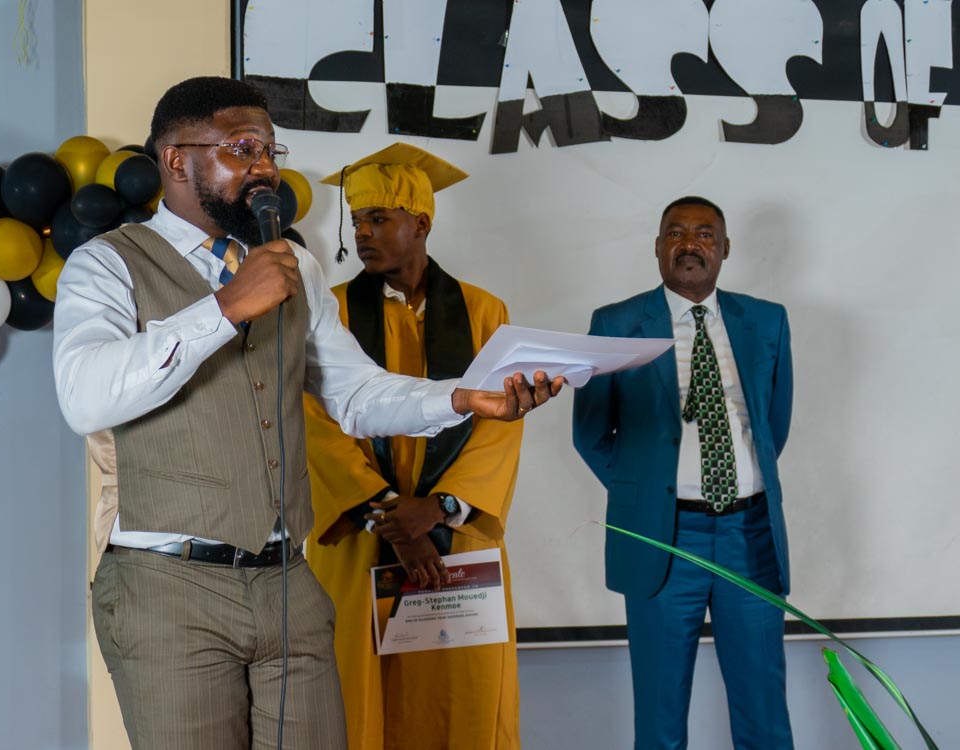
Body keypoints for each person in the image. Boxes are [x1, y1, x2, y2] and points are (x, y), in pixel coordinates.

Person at [52, 76, 562, 750]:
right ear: (176, 159)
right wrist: (226, 307)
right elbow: (84, 396)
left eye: (270, 150)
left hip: (288, 584)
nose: (264, 168)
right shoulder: (106, 264)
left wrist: (462, 398)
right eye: (242, 149)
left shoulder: (293, 263)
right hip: (168, 588)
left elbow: (355, 395)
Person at [303, 143, 524, 750]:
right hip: (361, 537)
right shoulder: (329, 312)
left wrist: (441, 508)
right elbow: (315, 425)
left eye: (378, 219)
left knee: (464, 699)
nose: (362, 233)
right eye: (356, 221)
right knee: (356, 701)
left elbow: (500, 427)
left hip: (457, 542)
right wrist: (391, 518)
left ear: (421, 224)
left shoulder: (484, 313)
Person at [572, 196, 794, 750]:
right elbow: (591, 433)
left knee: (764, 714)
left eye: (704, 234)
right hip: (663, 540)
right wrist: (647, 494)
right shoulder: (616, 323)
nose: (690, 244)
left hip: (751, 537)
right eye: (675, 233)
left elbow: (772, 425)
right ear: (657, 247)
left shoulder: (766, 320)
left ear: (725, 248)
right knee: (660, 717)